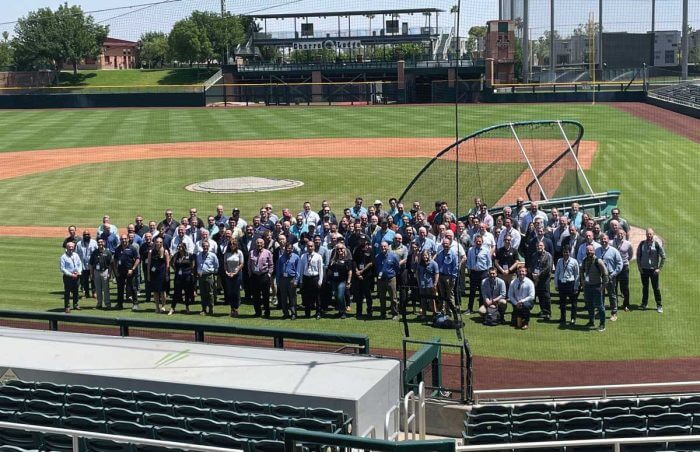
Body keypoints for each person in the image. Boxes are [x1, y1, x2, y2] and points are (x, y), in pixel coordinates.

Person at [636, 228, 666, 313]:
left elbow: (663, 256)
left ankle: (659, 305)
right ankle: (644, 303)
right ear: (646, 234)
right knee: (645, 287)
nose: (649, 236)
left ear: (653, 234)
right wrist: (639, 267)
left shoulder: (656, 244)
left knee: (656, 288)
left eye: (650, 234)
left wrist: (659, 268)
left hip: (653, 270)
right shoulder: (642, 244)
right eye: (647, 234)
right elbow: (638, 256)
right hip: (644, 270)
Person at [581, 244, 609, 332]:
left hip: (597, 286)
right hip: (588, 286)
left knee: (600, 306)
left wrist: (604, 286)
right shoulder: (585, 260)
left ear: (594, 251)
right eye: (588, 250)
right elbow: (582, 270)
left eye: (591, 250)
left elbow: (605, 274)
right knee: (589, 305)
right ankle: (591, 321)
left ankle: (602, 324)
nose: (589, 252)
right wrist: (582, 281)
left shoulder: (598, 261)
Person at [596, 234, 623, 322]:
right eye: (602, 239)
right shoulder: (597, 251)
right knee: (600, 294)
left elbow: (620, 264)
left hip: (610, 275)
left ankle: (614, 313)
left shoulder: (614, 251)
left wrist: (613, 274)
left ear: (608, 240)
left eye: (605, 239)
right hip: (600, 276)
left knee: (612, 295)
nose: (603, 241)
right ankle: (601, 311)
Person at [297, 241, 324, 319]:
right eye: (308, 246)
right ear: (306, 247)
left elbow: (320, 270)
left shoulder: (318, 256)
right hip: (306, 278)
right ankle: (307, 313)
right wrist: (301, 281)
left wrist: (320, 281)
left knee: (317, 297)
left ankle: (318, 312)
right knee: (306, 297)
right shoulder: (303, 256)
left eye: (311, 246)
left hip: (315, 278)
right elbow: (301, 270)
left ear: (314, 247)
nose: (310, 248)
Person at [248, 238, 274, 318]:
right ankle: (257, 312)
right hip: (255, 277)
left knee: (265, 296)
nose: (259, 244)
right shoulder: (252, 252)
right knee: (256, 296)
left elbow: (271, 265)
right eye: (258, 243)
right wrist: (250, 274)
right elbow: (249, 264)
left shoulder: (268, 252)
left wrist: (269, 274)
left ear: (263, 244)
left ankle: (267, 312)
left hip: (264, 276)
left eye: (261, 243)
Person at [375, 241, 401, 320]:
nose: (383, 248)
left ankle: (395, 314)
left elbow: (397, 267)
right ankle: (383, 313)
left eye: (385, 246)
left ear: (387, 247)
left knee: (393, 298)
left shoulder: (393, 256)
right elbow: (377, 267)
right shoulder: (377, 256)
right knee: (382, 298)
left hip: (391, 279)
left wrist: (392, 274)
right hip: (381, 280)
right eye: (382, 246)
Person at [466, 235, 492, 314]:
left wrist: (488, 272)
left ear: (482, 242)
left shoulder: (486, 250)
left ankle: (481, 308)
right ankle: (470, 308)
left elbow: (489, 262)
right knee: (472, 291)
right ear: (474, 241)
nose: (478, 243)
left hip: (483, 272)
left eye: (480, 241)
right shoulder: (471, 250)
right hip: (474, 272)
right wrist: (469, 269)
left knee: (482, 292)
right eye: (477, 241)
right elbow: (469, 261)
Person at [114, 235, 140, 311]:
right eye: (122, 239)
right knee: (120, 288)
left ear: (128, 239)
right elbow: (115, 260)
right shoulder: (118, 249)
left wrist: (132, 269)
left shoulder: (132, 248)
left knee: (133, 288)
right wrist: (116, 270)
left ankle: (135, 304)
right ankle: (119, 304)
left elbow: (137, 259)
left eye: (125, 239)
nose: (124, 240)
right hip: (120, 272)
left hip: (130, 272)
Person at [528, 240, 553, 320]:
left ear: (544, 246)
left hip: (544, 278)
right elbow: (532, 266)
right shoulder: (534, 255)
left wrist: (539, 275)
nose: (539, 247)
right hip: (535, 278)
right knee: (539, 295)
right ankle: (543, 310)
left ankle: (548, 312)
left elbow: (548, 268)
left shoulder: (548, 255)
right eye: (538, 246)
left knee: (546, 295)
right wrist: (533, 274)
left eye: (541, 246)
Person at [554, 247, 579, 325]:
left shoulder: (574, 261)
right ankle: (563, 318)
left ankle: (573, 318)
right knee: (562, 303)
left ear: (570, 252)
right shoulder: (559, 261)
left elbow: (577, 274)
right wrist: (556, 284)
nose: (566, 254)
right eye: (564, 252)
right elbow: (556, 273)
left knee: (573, 303)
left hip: (570, 283)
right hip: (562, 283)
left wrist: (576, 286)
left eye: (567, 252)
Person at [435, 237, 459, 318]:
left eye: (447, 243)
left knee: (450, 295)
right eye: (444, 243)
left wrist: (453, 277)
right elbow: (437, 265)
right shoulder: (440, 253)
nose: (445, 245)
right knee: (442, 294)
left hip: (450, 277)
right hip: (441, 276)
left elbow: (456, 266)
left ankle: (451, 310)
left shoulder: (453, 254)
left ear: (449, 244)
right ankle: (443, 310)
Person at [327, 244, 353, 318]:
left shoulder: (348, 260)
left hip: (343, 281)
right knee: (336, 296)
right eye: (338, 249)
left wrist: (348, 281)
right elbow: (329, 270)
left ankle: (343, 311)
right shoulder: (333, 260)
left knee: (340, 295)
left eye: (341, 249)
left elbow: (350, 272)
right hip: (334, 281)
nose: (340, 250)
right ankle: (340, 311)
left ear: (344, 249)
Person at [170, 243, 195, 315]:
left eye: (180, 246)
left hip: (187, 276)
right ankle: (172, 308)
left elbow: (193, 264)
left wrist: (191, 271)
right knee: (176, 292)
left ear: (184, 247)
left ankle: (187, 307)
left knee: (187, 292)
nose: (179, 248)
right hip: (178, 276)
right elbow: (171, 263)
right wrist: (175, 269)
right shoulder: (176, 255)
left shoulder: (189, 255)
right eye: (178, 246)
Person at [276, 241, 299, 319]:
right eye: (287, 248)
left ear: (292, 249)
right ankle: (285, 313)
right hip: (283, 279)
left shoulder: (296, 257)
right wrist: (278, 281)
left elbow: (298, 270)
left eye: (290, 248)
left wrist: (296, 280)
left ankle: (293, 313)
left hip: (291, 279)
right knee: (283, 297)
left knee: (292, 297)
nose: (288, 250)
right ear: (285, 249)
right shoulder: (281, 258)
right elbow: (278, 270)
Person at [222, 238, 245, 317]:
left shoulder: (239, 253)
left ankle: (236, 308)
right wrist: (226, 272)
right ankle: (232, 308)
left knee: (236, 291)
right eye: (230, 244)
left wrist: (236, 271)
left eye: (233, 244)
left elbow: (241, 263)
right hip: (228, 274)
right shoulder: (226, 254)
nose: (232, 245)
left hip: (237, 274)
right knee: (230, 292)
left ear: (236, 245)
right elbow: (225, 263)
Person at [612, 229, 634, 312]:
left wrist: (626, 261)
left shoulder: (628, 244)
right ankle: (615, 304)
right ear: (616, 234)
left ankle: (625, 305)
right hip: (615, 267)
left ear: (624, 234)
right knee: (614, 287)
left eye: (621, 234)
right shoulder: (612, 243)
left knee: (625, 287)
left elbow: (631, 254)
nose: (620, 235)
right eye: (618, 233)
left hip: (624, 267)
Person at [147, 237, 170, 314]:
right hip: (154, 274)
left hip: (162, 273)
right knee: (155, 291)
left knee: (162, 291)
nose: (158, 243)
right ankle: (157, 307)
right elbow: (149, 264)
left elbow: (167, 264)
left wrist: (167, 274)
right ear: (155, 242)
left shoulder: (165, 251)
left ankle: (163, 306)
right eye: (157, 242)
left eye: (160, 242)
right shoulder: (151, 252)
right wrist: (148, 274)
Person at [196, 240, 219, 316]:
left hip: (209, 276)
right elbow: (198, 265)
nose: (205, 247)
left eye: (206, 246)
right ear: (202, 247)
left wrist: (212, 272)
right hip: (201, 276)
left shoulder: (213, 255)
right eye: (204, 246)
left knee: (210, 293)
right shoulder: (198, 255)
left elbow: (216, 266)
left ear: (209, 247)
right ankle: (203, 309)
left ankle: (211, 309)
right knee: (202, 294)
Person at [352, 241, 375, 318]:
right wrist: (357, 271)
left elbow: (371, 263)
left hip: (367, 276)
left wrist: (362, 271)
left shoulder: (370, 251)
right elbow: (354, 261)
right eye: (364, 245)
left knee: (368, 294)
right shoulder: (357, 251)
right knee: (359, 296)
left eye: (367, 244)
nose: (366, 246)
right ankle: (359, 313)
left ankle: (369, 311)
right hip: (358, 276)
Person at [89, 238, 113, 309]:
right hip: (96, 272)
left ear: (104, 243)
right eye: (99, 242)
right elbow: (91, 264)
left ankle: (107, 304)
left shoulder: (107, 252)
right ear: (97, 243)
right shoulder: (94, 252)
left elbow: (111, 264)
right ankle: (99, 304)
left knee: (106, 289)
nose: (100, 243)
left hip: (104, 271)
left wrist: (109, 273)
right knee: (98, 289)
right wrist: (91, 273)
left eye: (102, 242)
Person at [415, 250, 439, 320]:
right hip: (422, 284)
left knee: (432, 300)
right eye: (423, 255)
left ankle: (434, 313)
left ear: (429, 255)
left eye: (426, 255)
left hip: (430, 284)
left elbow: (437, 274)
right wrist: (419, 282)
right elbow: (417, 273)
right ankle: (423, 314)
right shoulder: (420, 264)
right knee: (423, 300)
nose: (425, 257)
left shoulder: (434, 263)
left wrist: (435, 284)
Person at [59, 242, 82, 313]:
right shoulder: (63, 257)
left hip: (76, 276)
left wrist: (78, 272)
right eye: (70, 247)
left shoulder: (76, 255)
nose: (71, 248)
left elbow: (79, 264)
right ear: (67, 247)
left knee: (76, 291)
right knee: (67, 292)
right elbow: (63, 269)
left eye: (72, 247)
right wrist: (71, 274)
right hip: (68, 277)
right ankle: (67, 306)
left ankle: (75, 304)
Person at [75, 230, 97, 299]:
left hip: (92, 264)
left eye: (88, 234)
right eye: (85, 235)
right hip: (83, 265)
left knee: (93, 279)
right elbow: (76, 254)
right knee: (85, 280)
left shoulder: (94, 242)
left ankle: (94, 292)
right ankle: (86, 293)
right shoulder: (79, 244)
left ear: (90, 235)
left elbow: (97, 253)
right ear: (83, 236)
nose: (86, 236)